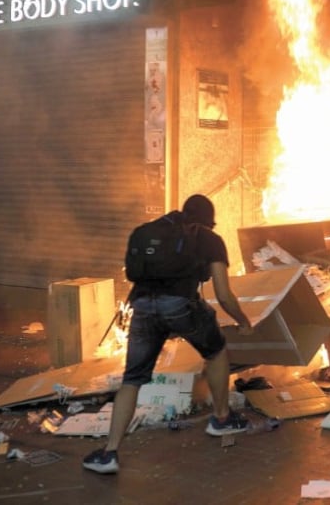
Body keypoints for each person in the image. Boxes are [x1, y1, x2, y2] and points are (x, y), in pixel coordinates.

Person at [82, 194, 254, 475]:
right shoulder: (209, 239)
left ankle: (108, 452)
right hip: (179, 306)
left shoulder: (155, 230)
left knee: (132, 378)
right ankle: (222, 419)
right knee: (216, 350)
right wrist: (243, 322)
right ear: (209, 221)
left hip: (142, 307)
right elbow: (223, 294)